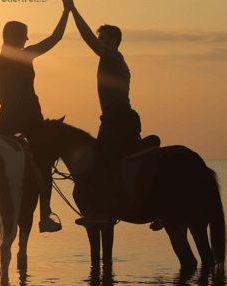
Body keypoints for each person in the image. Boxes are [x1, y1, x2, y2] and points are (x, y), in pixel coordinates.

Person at [0, 2, 70, 233]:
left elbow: (0, 94)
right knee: (44, 161)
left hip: (7, 116)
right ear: (19, 38)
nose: (27, 40)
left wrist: (7, 113)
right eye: (25, 36)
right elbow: (55, 38)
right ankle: (45, 216)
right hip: (32, 116)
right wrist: (67, 12)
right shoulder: (26, 56)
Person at [65, 0, 161, 228]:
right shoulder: (119, 61)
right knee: (126, 163)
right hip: (125, 118)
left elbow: (86, 37)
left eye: (102, 38)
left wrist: (72, 9)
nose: (99, 42)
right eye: (100, 39)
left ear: (112, 40)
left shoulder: (111, 56)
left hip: (115, 119)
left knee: (98, 163)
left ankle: (99, 212)